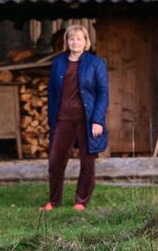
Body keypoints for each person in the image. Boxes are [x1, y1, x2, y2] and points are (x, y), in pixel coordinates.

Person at [41, 24, 109, 211]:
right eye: (71, 39)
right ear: (67, 42)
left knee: (87, 162)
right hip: (63, 119)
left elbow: (103, 93)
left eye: (79, 39)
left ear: (86, 42)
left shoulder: (96, 63)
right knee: (55, 161)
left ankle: (81, 201)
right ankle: (54, 201)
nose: (75, 42)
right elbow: (52, 93)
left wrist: (98, 120)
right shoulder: (58, 63)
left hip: (87, 120)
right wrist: (52, 120)